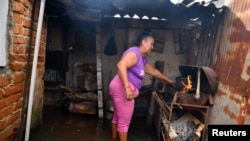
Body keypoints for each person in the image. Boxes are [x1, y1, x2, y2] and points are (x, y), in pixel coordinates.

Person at [109, 31, 176, 141]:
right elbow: (121, 65)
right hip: (122, 89)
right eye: (151, 44)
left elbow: (153, 71)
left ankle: (113, 138)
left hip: (118, 88)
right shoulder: (135, 53)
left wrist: (167, 80)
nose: (152, 47)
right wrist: (127, 88)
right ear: (143, 42)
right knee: (124, 122)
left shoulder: (142, 59)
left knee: (117, 117)